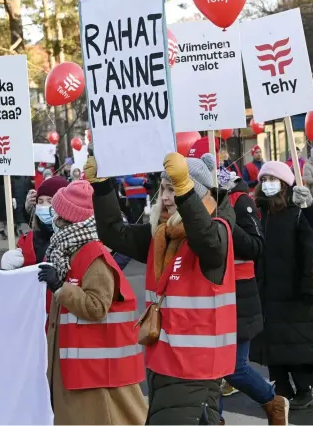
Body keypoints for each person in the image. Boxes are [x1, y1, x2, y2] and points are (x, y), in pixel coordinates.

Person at [87, 152, 244, 425]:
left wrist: (185, 194)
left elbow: (207, 241)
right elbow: (113, 232)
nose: (166, 197)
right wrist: (102, 188)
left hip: (194, 368)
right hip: (164, 363)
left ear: (194, 191)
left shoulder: (217, 231)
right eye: (163, 189)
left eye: (174, 189)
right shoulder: (161, 234)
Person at [38, 180, 147, 424]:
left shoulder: (94, 257)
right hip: (81, 367)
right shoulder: (69, 250)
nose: (53, 219)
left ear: (69, 219)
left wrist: (60, 287)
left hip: (94, 371)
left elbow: (97, 307)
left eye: (58, 214)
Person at [249, 161, 313, 410]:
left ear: (284, 183)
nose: (267, 184)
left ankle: (304, 389)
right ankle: (281, 388)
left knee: (298, 341)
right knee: (272, 342)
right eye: (263, 179)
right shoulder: (259, 212)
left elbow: (311, 249)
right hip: (267, 291)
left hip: (294, 291)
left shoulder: (298, 211)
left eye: (273, 179)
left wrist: (308, 287)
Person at [217, 170, 289, 423]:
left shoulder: (239, 200)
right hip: (207, 297)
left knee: (235, 367)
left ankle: (273, 401)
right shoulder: (190, 202)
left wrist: (226, 222)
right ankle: (215, 419)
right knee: (208, 370)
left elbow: (256, 245)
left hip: (239, 296)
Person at [1, 176, 69, 270]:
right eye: (40, 202)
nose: (44, 206)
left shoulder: (71, 238)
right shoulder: (31, 238)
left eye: (50, 201)